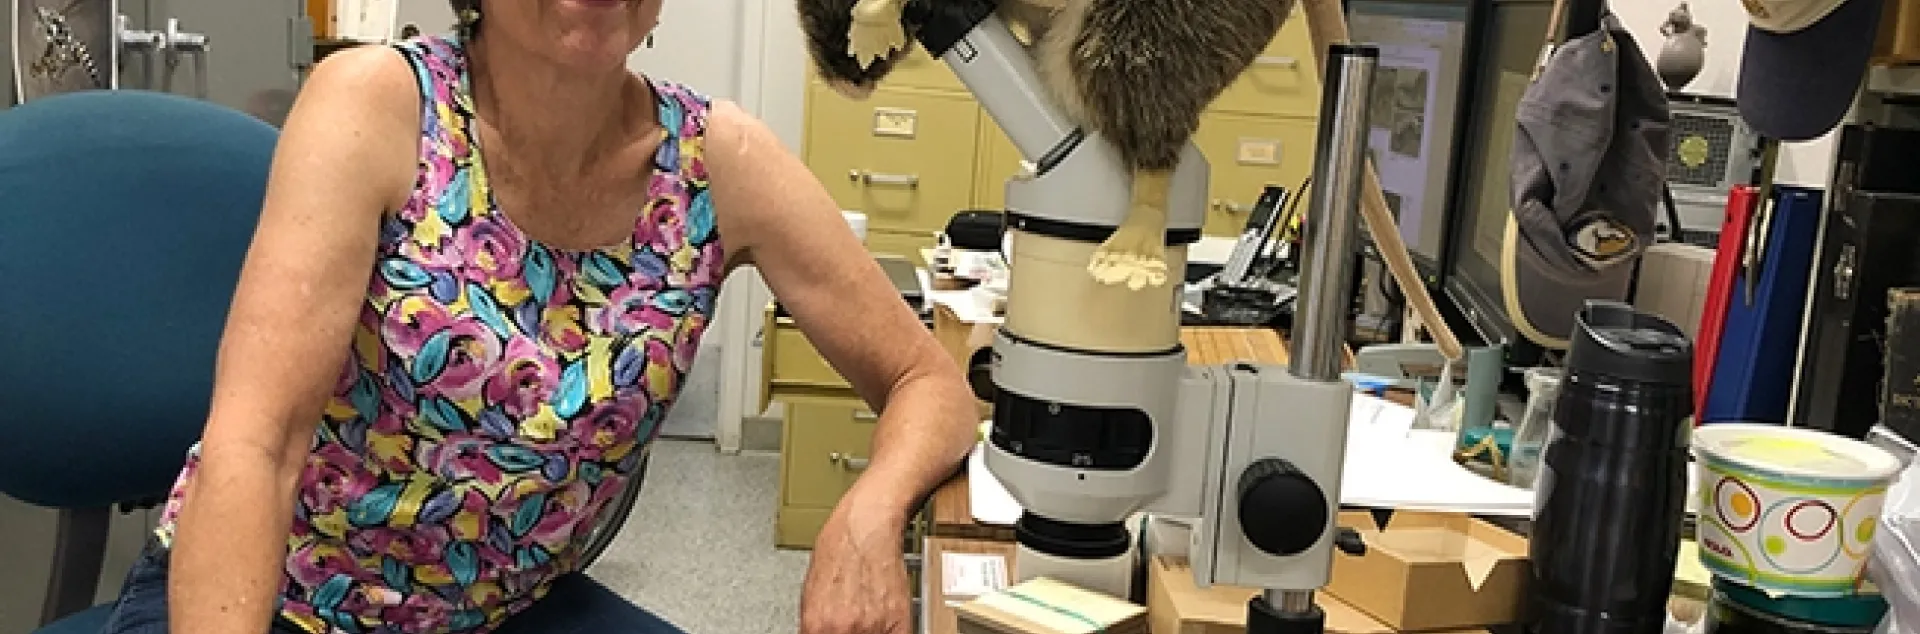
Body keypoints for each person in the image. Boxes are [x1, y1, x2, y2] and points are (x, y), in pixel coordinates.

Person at [96, 0, 979, 632]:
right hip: (283, 602)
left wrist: (868, 512)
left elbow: (929, 382)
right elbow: (257, 441)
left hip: (501, 609)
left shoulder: (716, 160)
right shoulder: (376, 107)